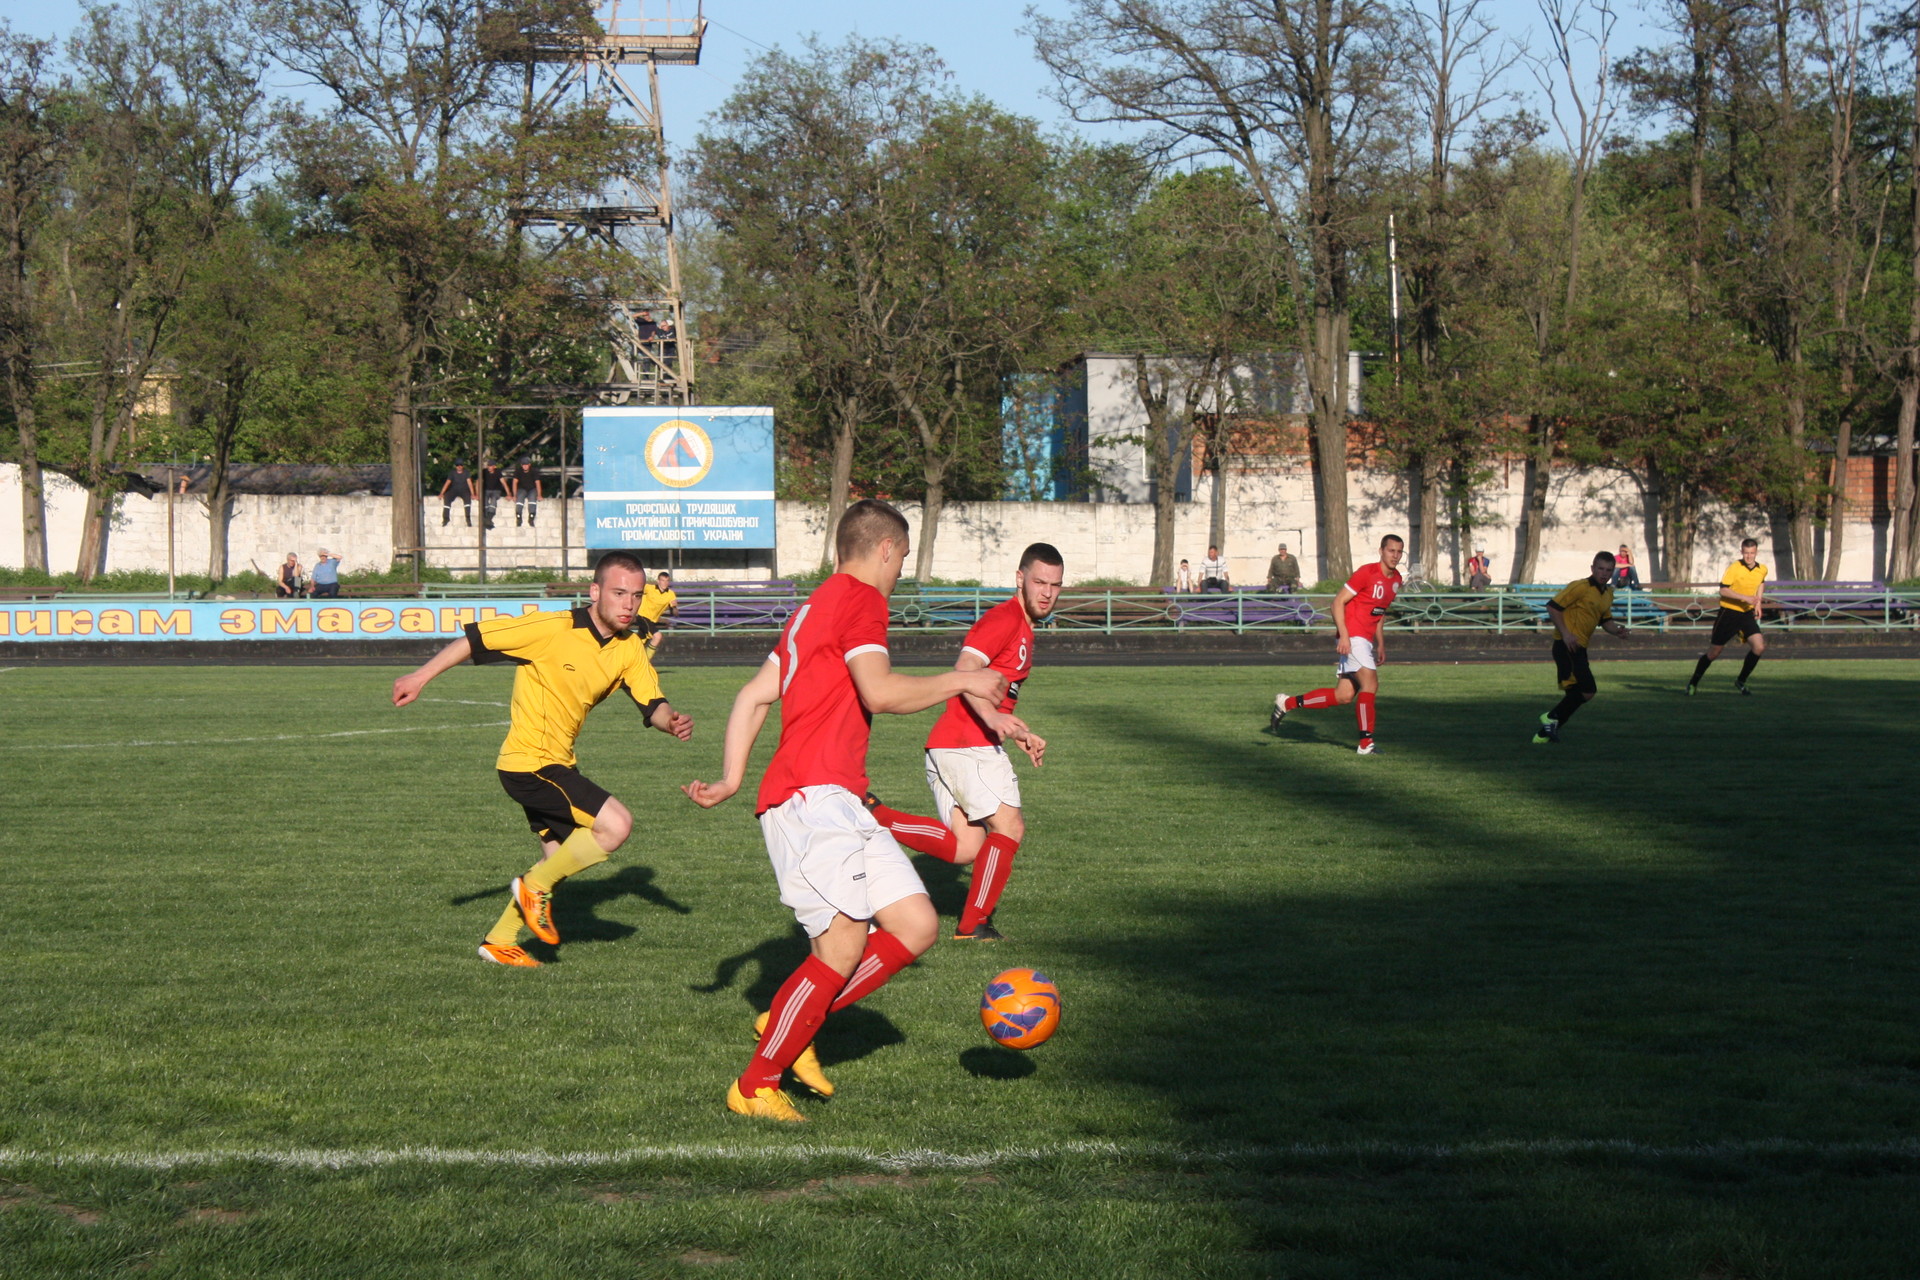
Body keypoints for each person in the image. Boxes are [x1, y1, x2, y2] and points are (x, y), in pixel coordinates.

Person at [683, 500, 1007, 1122]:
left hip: (841, 797)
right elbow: (880, 693)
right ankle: (755, 1085)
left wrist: (730, 778)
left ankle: (791, 1023)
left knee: (916, 925)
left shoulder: (810, 608)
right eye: (903, 559)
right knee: (842, 946)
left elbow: (754, 696)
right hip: (811, 799)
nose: (901, 572)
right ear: (885, 548)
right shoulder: (862, 600)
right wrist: (961, 681)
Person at [391, 550, 694, 967]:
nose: (629, 604)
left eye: (636, 595)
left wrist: (671, 721)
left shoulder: (630, 649)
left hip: (556, 765)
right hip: (529, 764)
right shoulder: (553, 627)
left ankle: (499, 940)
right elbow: (476, 638)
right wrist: (420, 676)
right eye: (619, 592)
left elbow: (652, 703)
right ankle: (533, 887)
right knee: (615, 825)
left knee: (560, 858)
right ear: (595, 591)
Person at [864, 543, 1065, 942]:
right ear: (1019, 578)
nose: (1047, 592)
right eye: (1039, 581)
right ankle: (974, 925)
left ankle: (875, 815)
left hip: (951, 743)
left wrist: (1016, 731)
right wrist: (991, 718)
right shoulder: (1005, 618)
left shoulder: (1023, 627)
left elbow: (996, 692)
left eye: (1055, 585)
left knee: (965, 849)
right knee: (1009, 826)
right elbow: (965, 669)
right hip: (965, 742)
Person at [1270, 534, 1404, 755]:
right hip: (1352, 636)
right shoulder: (1366, 573)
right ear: (1381, 551)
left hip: (1364, 639)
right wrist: (1344, 635)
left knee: (1343, 695)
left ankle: (1287, 703)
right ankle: (1365, 744)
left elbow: (1378, 612)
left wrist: (1381, 644)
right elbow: (1337, 602)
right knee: (1370, 684)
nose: (1395, 556)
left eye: (1399, 552)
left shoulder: (1396, 580)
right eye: (1391, 551)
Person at [1531, 551, 1632, 744]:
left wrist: (1617, 631)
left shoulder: (1608, 593)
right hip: (1566, 645)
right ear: (1592, 568)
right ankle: (1550, 718)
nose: (1604, 573)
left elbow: (1605, 620)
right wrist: (1566, 633)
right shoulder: (1580, 587)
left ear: (1612, 572)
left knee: (1574, 696)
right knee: (1588, 690)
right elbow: (1553, 607)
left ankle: (1543, 736)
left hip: (1580, 647)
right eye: (1600, 568)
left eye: (1608, 570)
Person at [1686, 537, 1767, 695]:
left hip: (1746, 614)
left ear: (1756, 552)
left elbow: (1761, 583)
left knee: (1759, 647)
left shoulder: (1762, 569)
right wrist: (1744, 597)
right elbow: (1723, 590)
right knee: (1714, 652)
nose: (1749, 556)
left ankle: (1741, 681)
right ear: (1741, 552)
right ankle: (1693, 683)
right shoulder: (1735, 568)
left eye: (1752, 553)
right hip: (1729, 613)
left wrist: (1758, 604)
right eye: (1746, 553)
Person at [640, 569, 678, 653]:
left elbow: (675, 614)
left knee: (640, 642)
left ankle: (631, 660)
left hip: (652, 620)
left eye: (667, 581)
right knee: (657, 636)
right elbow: (636, 588)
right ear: (658, 581)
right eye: (662, 580)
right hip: (641, 616)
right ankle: (645, 663)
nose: (665, 583)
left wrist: (674, 607)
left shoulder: (671, 594)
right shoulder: (649, 588)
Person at [439, 462, 474, 527]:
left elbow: (469, 483)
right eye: (457, 465)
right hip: (454, 490)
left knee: (467, 500)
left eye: (460, 465)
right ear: (455, 466)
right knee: (447, 497)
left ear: (463, 466)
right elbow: (447, 482)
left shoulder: (466, 473)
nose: (459, 466)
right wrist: (441, 493)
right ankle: (446, 518)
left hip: (464, 490)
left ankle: (468, 518)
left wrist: (473, 494)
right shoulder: (452, 473)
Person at [511, 459, 542, 527]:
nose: (525, 466)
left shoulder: (534, 471)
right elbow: (514, 482)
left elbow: (537, 483)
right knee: (520, 498)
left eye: (526, 465)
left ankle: (531, 517)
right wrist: (514, 495)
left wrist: (539, 495)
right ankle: (518, 517)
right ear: (521, 465)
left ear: (529, 465)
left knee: (532, 499)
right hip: (522, 489)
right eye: (523, 465)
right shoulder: (518, 471)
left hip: (532, 489)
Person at [479, 460, 507, 530]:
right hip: (487, 490)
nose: (489, 467)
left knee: (494, 498)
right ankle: (486, 518)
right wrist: (476, 493)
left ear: (494, 466)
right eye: (488, 465)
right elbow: (478, 481)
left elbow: (503, 482)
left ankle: (489, 517)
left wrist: (509, 493)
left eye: (491, 466)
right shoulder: (484, 472)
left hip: (496, 490)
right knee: (484, 498)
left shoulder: (498, 472)